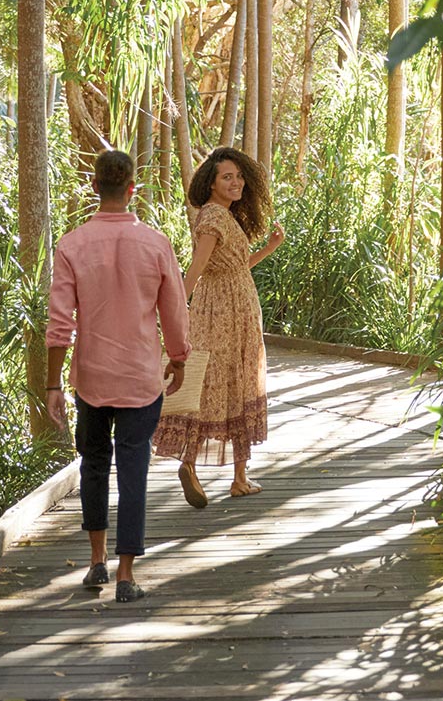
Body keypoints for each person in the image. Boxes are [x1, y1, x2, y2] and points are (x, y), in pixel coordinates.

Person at [45, 149, 189, 603]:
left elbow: (59, 322)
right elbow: (174, 311)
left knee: (92, 465)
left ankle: (95, 562)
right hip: (141, 378)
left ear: (94, 187)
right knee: (133, 469)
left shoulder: (71, 245)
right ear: (132, 190)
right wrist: (178, 357)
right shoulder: (156, 243)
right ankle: (126, 575)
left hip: (91, 378)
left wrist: (53, 384)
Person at [152, 147, 285, 507]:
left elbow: (236, 266)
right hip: (221, 313)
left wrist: (269, 248)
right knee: (214, 382)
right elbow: (195, 271)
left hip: (237, 307)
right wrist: (174, 314)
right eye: (228, 177)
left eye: (239, 176)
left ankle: (238, 476)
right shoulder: (212, 217)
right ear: (211, 182)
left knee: (232, 381)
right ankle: (196, 464)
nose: (236, 182)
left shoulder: (225, 216)